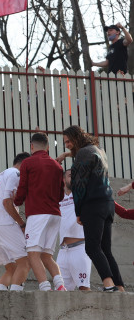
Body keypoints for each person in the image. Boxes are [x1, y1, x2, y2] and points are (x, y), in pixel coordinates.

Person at [64, 125, 124, 292]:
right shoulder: (99, 151)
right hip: (107, 203)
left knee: (92, 247)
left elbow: (79, 185)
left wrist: (78, 212)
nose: (67, 145)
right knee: (105, 249)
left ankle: (108, 284)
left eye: (68, 142)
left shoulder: (83, 154)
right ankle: (119, 287)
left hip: (93, 205)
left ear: (76, 139)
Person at [13, 132, 65, 291]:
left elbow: (21, 190)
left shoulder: (28, 163)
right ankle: (60, 285)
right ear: (48, 147)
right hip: (55, 214)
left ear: (31, 146)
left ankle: (45, 287)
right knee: (47, 255)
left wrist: (16, 200)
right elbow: (61, 195)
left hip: (37, 214)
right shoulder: (57, 166)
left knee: (33, 253)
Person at [0, 153, 31, 291]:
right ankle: (15, 299)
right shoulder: (15, 174)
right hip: (6, 223)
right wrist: (22, 223)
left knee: (11, 268)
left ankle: (0, 297)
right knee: (26, 261)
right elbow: (7, 202)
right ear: (23, 164)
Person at [56, 168, 92, 291]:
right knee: (60, 292)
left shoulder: (81, 194)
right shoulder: (57, 198)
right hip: (62, 252)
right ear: (63, 179)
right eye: (71, 176)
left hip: (79, 249)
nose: (75, 178)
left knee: (84, 288)